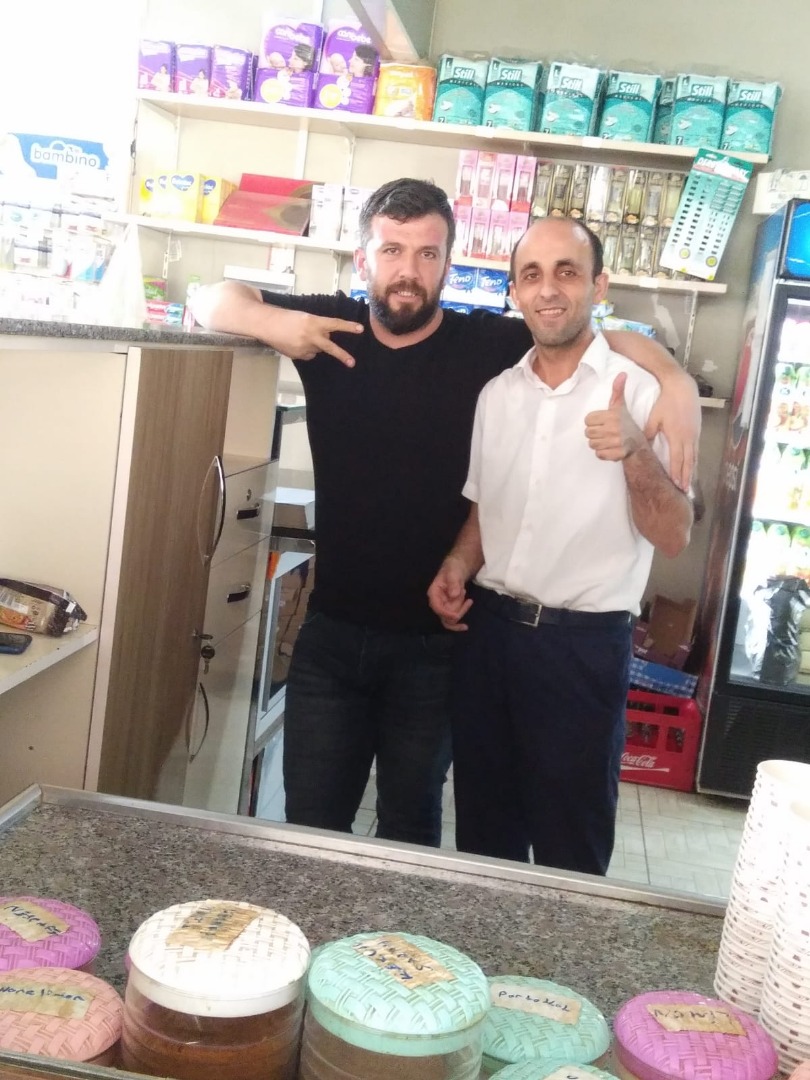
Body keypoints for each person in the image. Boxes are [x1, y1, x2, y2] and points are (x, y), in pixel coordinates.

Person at [191, 178, 699, 850]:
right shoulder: (329, 330)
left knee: (413, 830)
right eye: (392, 251)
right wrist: (274, 324)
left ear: (448, 266)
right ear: (362, 260)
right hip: (332, 636)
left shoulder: (484, 346)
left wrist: (675, 379)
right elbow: (209, 299)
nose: (409, 271)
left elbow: (577, 328)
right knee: (310, 832)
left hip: (437, 649)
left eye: (427, 254)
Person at [427, 216, 693, 875]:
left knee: (571, 848)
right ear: (514, 292)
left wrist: (635, 451)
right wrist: (458, 562)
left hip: (582, 648)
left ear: (598, 285)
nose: (548, 289)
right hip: (489, 640)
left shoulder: (645, 392)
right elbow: (488, 507)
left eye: (567, 272)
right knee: (484, 837)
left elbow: (674, 535)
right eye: (532, 275)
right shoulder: (497, 396)